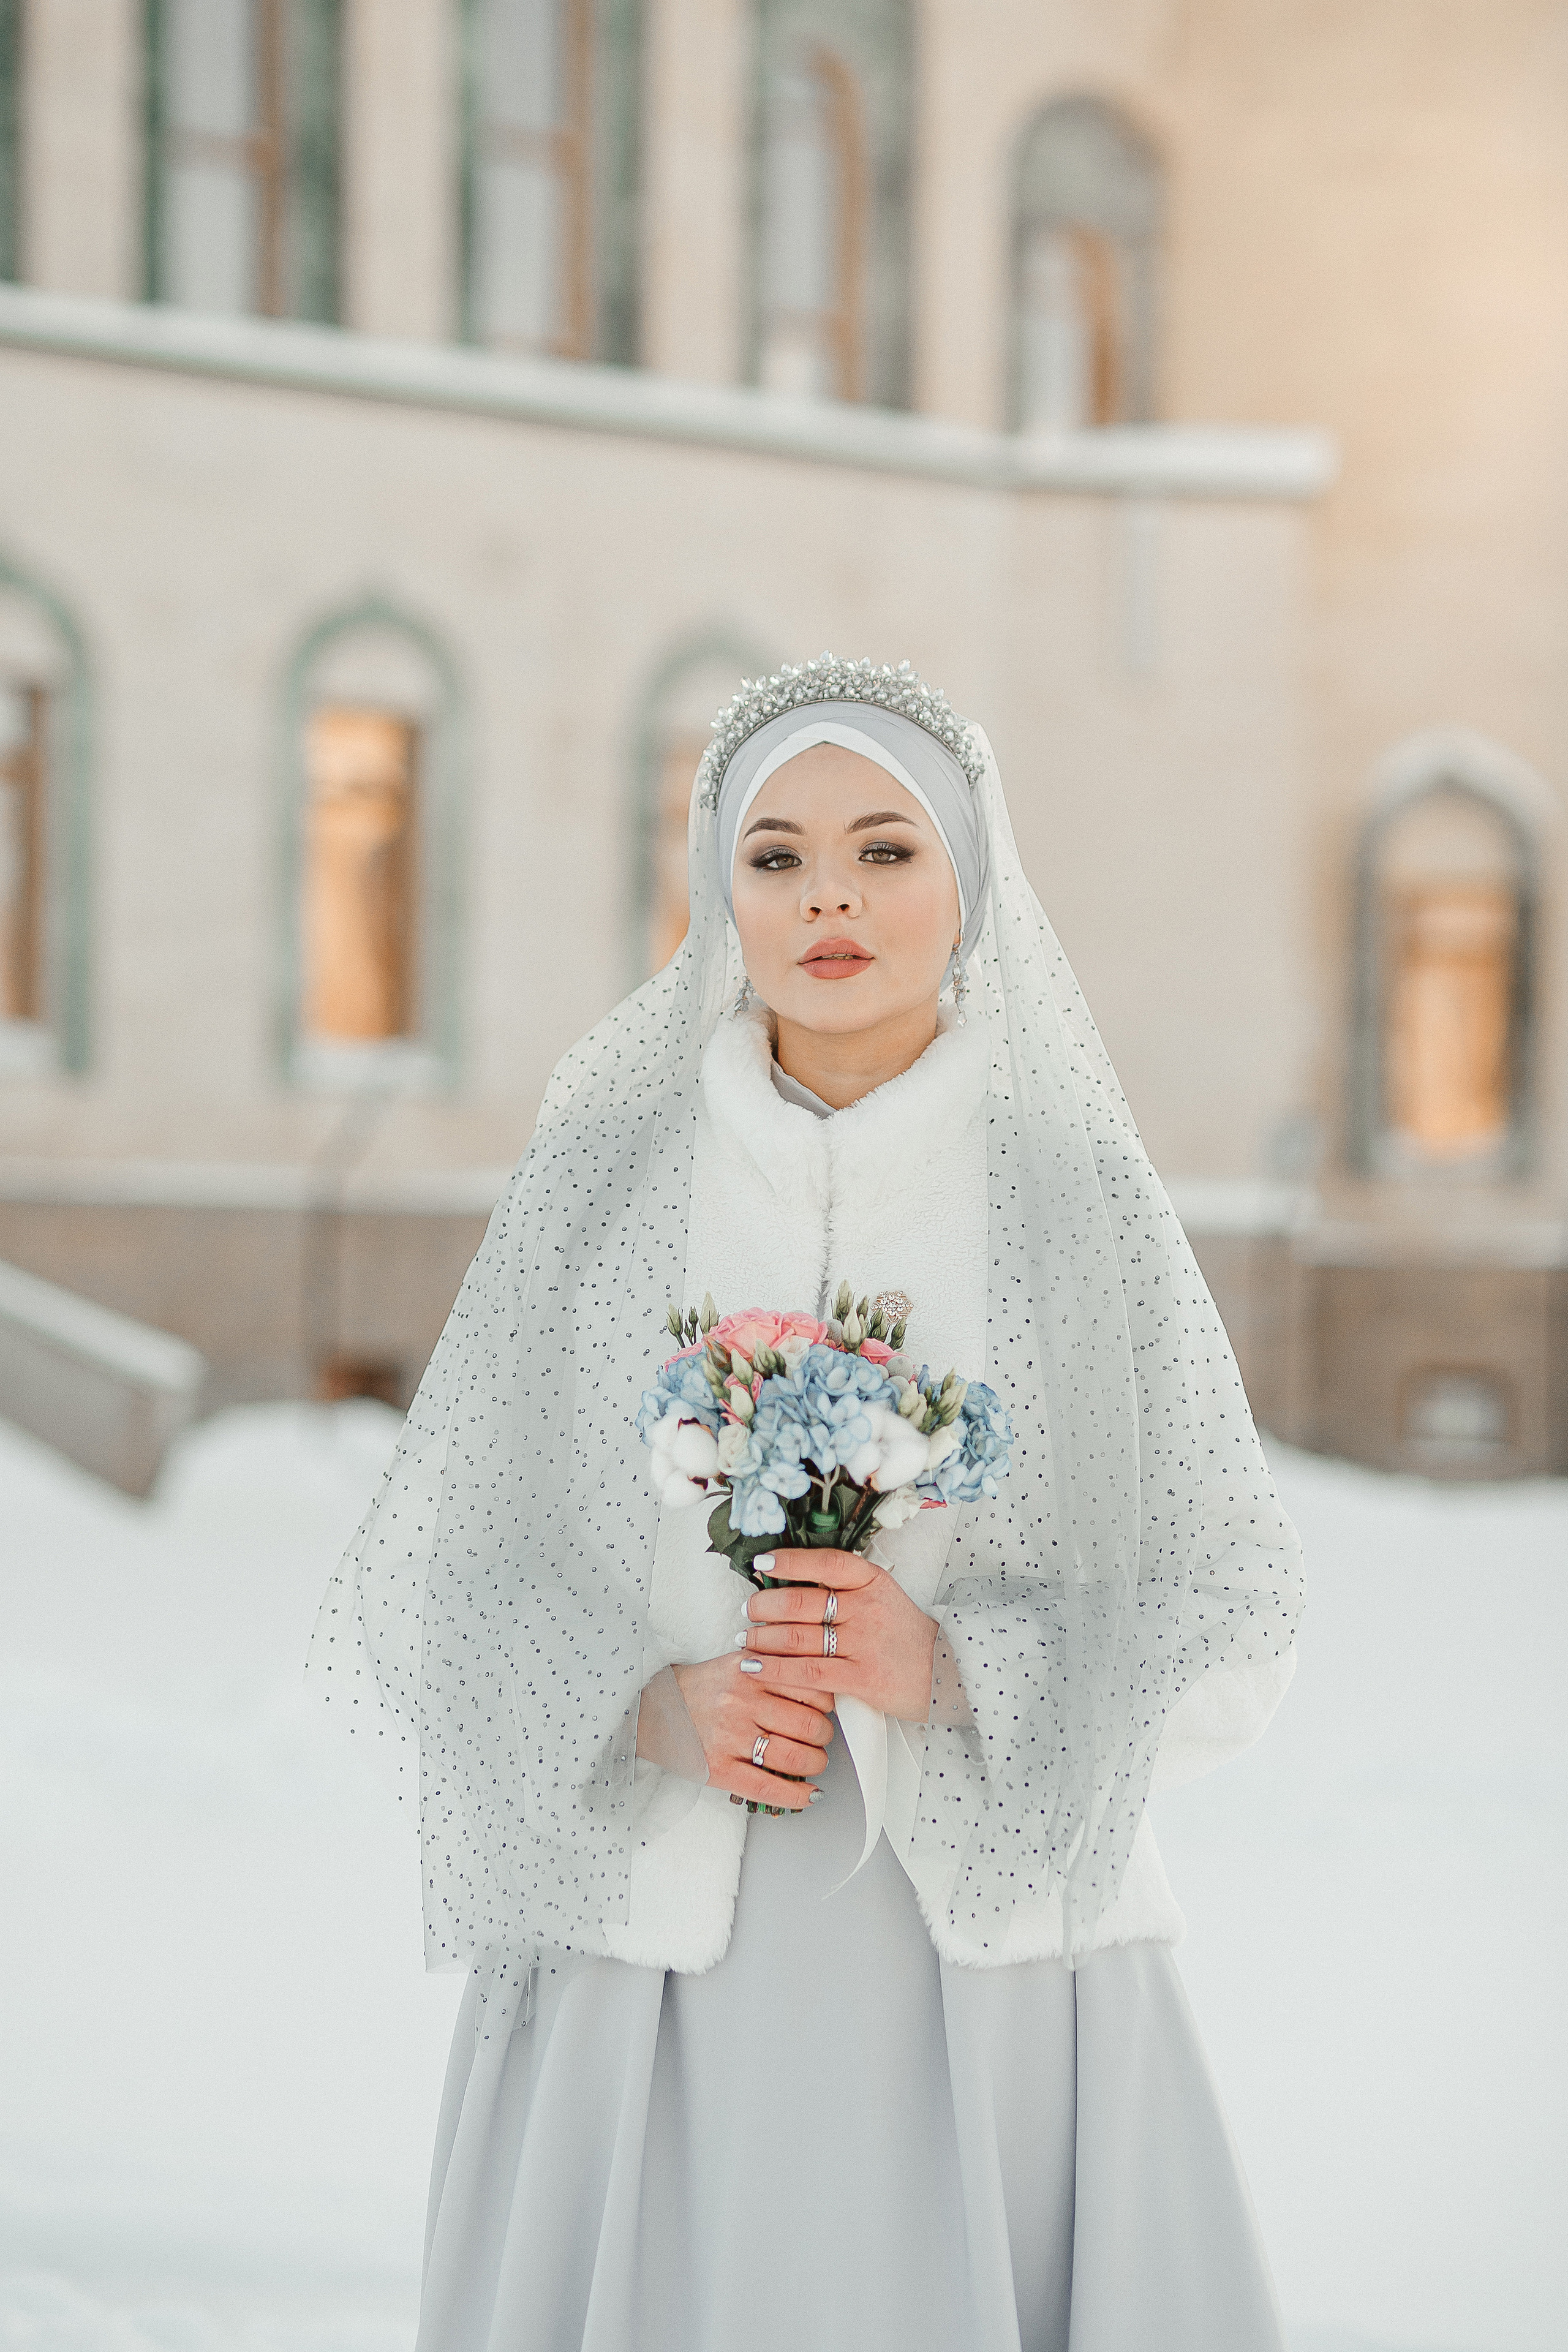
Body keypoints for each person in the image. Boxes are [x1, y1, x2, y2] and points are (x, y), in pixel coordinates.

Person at [307, 655, 1305, 2351]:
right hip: (652, 1975)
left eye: (885, 850)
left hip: (996, 1987)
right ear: (718, 891)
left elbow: (1234, 1610)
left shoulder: (1074, 1204)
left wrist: (961, 1669)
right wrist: (643, 1710)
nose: (828, 895)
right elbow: (442, 1590)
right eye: (774, 856)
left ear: (970, 879)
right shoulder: (608, 1186)